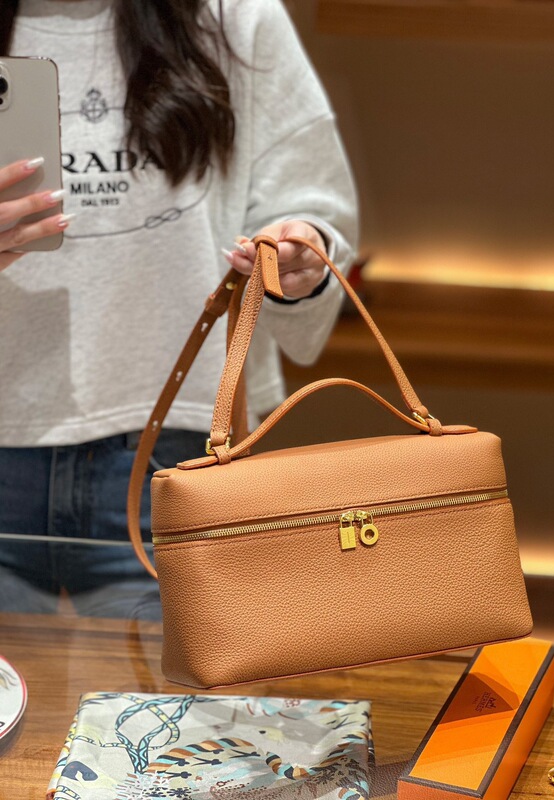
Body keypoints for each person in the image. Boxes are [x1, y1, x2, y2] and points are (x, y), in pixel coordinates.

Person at [0, 0, 358, 617]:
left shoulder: (231, 15)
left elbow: (309, 205)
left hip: (179, 451)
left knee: (179, 682)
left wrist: (299, 257)